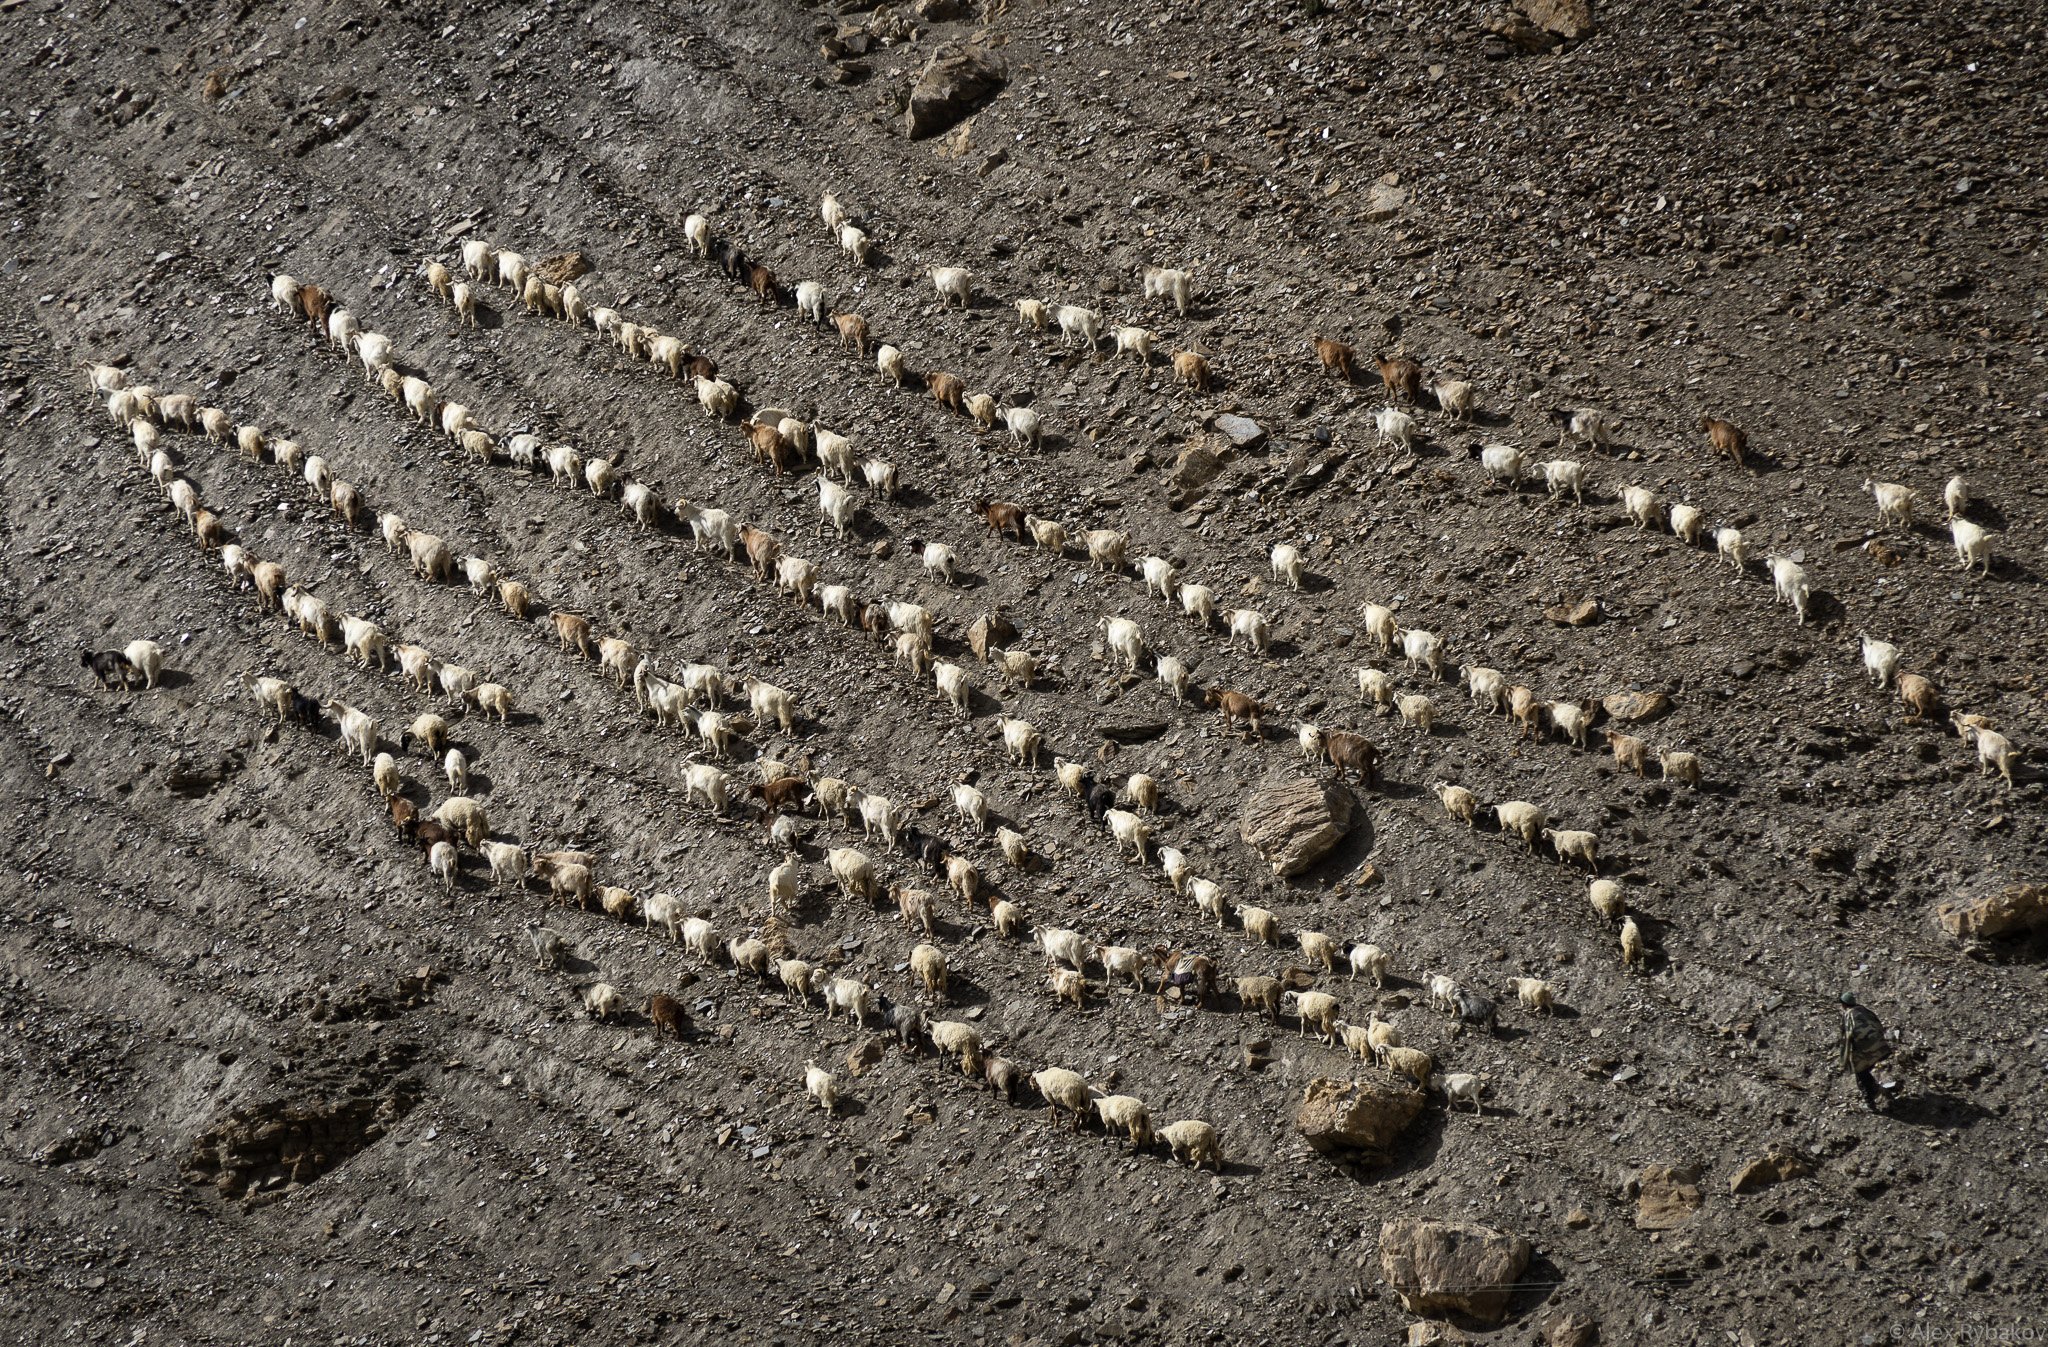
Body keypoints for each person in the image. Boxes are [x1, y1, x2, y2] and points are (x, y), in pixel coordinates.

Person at [1839, 992, 1892, 1109]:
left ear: (1843, 1004)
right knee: (1867, 1071)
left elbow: (1847, 1037)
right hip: (1880, 1048)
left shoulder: (1848, 1015)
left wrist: (1845, 1058)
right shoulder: (1864, 1010)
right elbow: (1879, 1025)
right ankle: (1877, 1089)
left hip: (1865, 1050)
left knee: (1861, 1074)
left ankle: (1870, 1102)